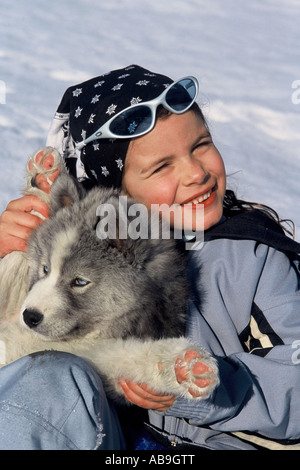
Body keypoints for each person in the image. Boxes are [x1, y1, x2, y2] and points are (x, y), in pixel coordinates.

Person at [0, 64, 299, 450]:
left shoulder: (250, 261)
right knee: (49, 377)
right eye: (162, 166)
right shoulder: (72, 253)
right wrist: (10, 254)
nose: (196, 173)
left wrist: (198, 386)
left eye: (200, 145)